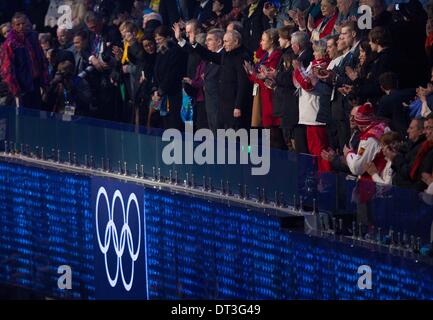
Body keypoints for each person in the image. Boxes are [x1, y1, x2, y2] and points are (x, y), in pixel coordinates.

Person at [0, 12, 49, 109]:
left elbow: (41, 59)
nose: (21, 26)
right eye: (18, 24)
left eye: (23, 23)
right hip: (22, 86)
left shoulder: (33, 37)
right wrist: (15, 91)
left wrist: (44, 81)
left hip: (36, 82)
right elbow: (7, 70)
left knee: (37, 113)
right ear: (13, 26)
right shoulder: (9, 44)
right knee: (24, 117)